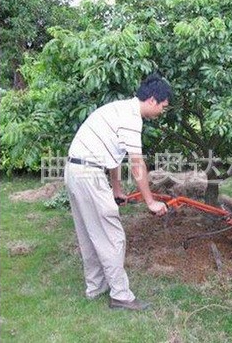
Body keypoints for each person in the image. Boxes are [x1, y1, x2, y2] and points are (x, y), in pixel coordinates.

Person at [64, 73, 172, 311]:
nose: (162, 112)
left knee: (90, 233)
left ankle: (96, 287)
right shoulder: (132, 118)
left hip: (77, 170)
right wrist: (151, 202)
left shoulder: (120, 110)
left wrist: (117, 188)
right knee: (113, 236)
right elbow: (137, 164)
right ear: (153, 100)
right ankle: (121, 296)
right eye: (163, 107)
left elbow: (113, 156)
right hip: (89, 174)